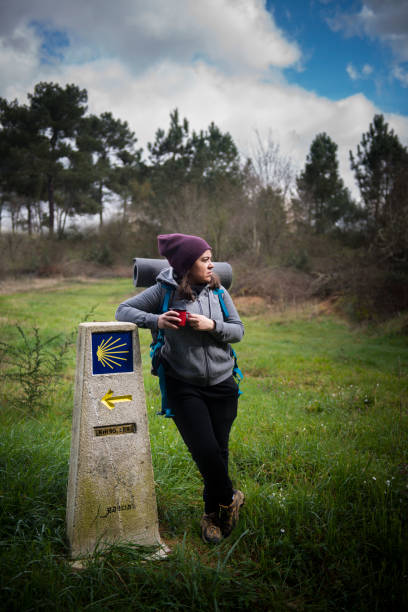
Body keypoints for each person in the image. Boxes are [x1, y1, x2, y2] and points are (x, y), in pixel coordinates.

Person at [115, 233, 244, 544]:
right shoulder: (163, 291)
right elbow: (123, 311)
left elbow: (238, 331)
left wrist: (212, 326)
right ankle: (231, 497)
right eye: (204, 259)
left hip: (222, 383)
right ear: (188, 264)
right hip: (183, 384)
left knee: (219, 452)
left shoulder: (219, 290)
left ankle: (213, 515)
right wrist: (156, 320)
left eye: (211, 258)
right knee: (205, 451)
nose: (212, 264)